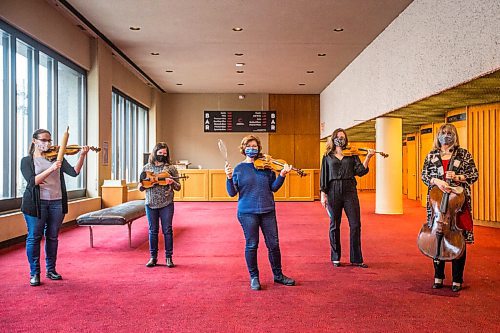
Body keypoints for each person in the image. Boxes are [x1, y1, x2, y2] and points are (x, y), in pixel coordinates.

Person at [225, 135, 295, 290]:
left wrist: (282, 175)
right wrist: (229, 178)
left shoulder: (267, 167)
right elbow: (231, 193)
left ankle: (278, 275)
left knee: (274, 245)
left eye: (255, 146)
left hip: (267, 210)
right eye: (249, 146)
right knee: (252, 244)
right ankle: (254, 277)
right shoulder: (238, 169)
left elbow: (274, 188)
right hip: (247, 212)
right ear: (243, 149)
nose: (252, 148)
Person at [21, 129, 89, 286]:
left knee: (52, 237)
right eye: (43, 140)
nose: (47, 143)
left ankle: (51, 270)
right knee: (34, 237)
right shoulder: (27, 160)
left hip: (56, 202)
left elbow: (74, 172)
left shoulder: (57, 157)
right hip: (36, 204)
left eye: (49, 140)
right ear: (34, 141)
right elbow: (32, 182)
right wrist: (51, 169)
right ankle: (34, 273)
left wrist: (82, 155)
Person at [421, 123, 478, 292]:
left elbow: (474, 174)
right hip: (437, 205)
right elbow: (424, 175)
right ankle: (438, 276)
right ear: (438, 136)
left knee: (457, 238)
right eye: (443, 133)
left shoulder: (463, 154)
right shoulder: (432, 155)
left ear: (455, 135)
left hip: (457, 204)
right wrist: (436, 180)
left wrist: (459, 176)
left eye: (450, 133)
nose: (446, 135)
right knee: (437, 237)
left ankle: (457, 279)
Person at [320, 128, 374, 268]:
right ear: (333, 139)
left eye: (343, 137)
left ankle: (356, 258)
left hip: (350, 189)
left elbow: (360, 171)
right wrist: (323, 194)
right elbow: (323, 176)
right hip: (333, 190)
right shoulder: (327, 156)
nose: (340, 139)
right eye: (338, 137)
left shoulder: (352, 154)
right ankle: (335, 257)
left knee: (355, 224)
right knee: (334, 224)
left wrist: (368, 157)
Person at [139, 142, 181, 268]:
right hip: (150, 203)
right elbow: (140, 186)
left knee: (167, 230)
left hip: (166, 203)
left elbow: (178, 187)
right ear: (155, 153)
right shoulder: (146, 168)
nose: (162, 155)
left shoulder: (171, 168)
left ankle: (169, 257)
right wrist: (143, 185)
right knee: (153, 231)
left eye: (165, 153)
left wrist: (172, 181)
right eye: (160, 153)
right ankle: (153, 257)